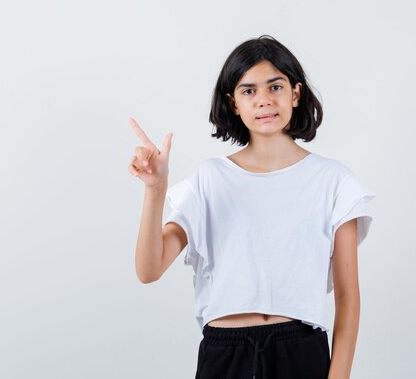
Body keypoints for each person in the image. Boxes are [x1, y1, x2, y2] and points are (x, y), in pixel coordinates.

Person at [128, 35, 376, 379]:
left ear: (295, 93)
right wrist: (155, 190)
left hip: (300, 352)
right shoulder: (209, 179)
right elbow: (149, 269)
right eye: (249, 91)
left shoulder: (333, 181)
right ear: (233, 104)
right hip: (224, 355)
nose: (263, 100)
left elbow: (348, 297)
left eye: (275, 87)